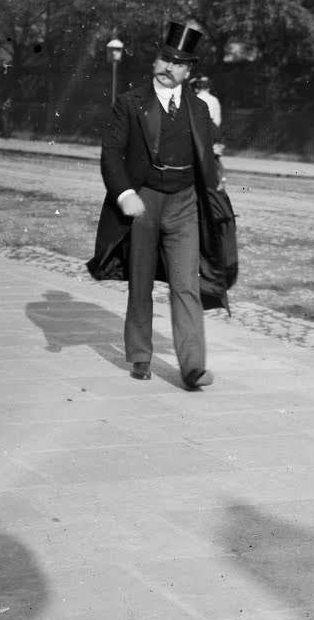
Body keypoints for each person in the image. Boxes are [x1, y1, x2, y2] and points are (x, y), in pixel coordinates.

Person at [85, 20, 224, 389]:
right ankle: (140, 355)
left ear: (188, 71)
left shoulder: (198, 109)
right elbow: (111, 154)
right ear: (154, 61)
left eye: (178, 64)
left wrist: (215, 174)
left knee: (185, 285)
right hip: (143, 201)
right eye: (164, 59)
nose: (168, 68)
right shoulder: (129, 104)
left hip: (184, 205)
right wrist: (124, 194)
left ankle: (193, 367)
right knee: (141, 281)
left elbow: (209, 153)